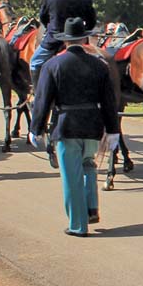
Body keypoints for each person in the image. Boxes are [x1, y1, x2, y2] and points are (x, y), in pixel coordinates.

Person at [29, 17, 120, 237]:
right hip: (93, 124)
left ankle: (78, 225)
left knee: (71, 177)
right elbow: (109, 101)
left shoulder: (52, 65)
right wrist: (113, 129)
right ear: (84, 39)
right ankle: (91, 207)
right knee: (88, 165)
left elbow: (42, 100)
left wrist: (36, 128)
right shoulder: (100, 66)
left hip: (66, 124)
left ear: (65, 41)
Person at [30, 0, 97, 89]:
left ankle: (38, 93)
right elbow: (91, 22)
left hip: (54, 40)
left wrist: (51, 27)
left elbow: (43, 18)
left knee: (35, 62)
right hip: (79, 40)